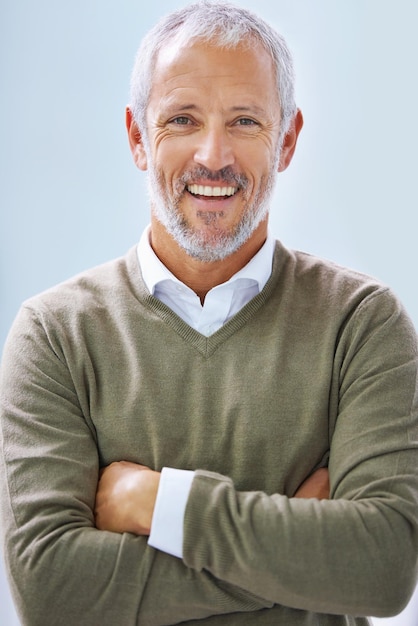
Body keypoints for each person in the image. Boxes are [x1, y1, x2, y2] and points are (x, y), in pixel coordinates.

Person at [1, 1, 417, 624]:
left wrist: (156, 503)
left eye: (245, 120)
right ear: (139, 138)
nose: (212, 155)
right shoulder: (55, 335)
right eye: (182, 120)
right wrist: (298, 563)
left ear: (287, 139)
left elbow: (382, 567)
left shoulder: (360, 323)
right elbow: (50, 589)